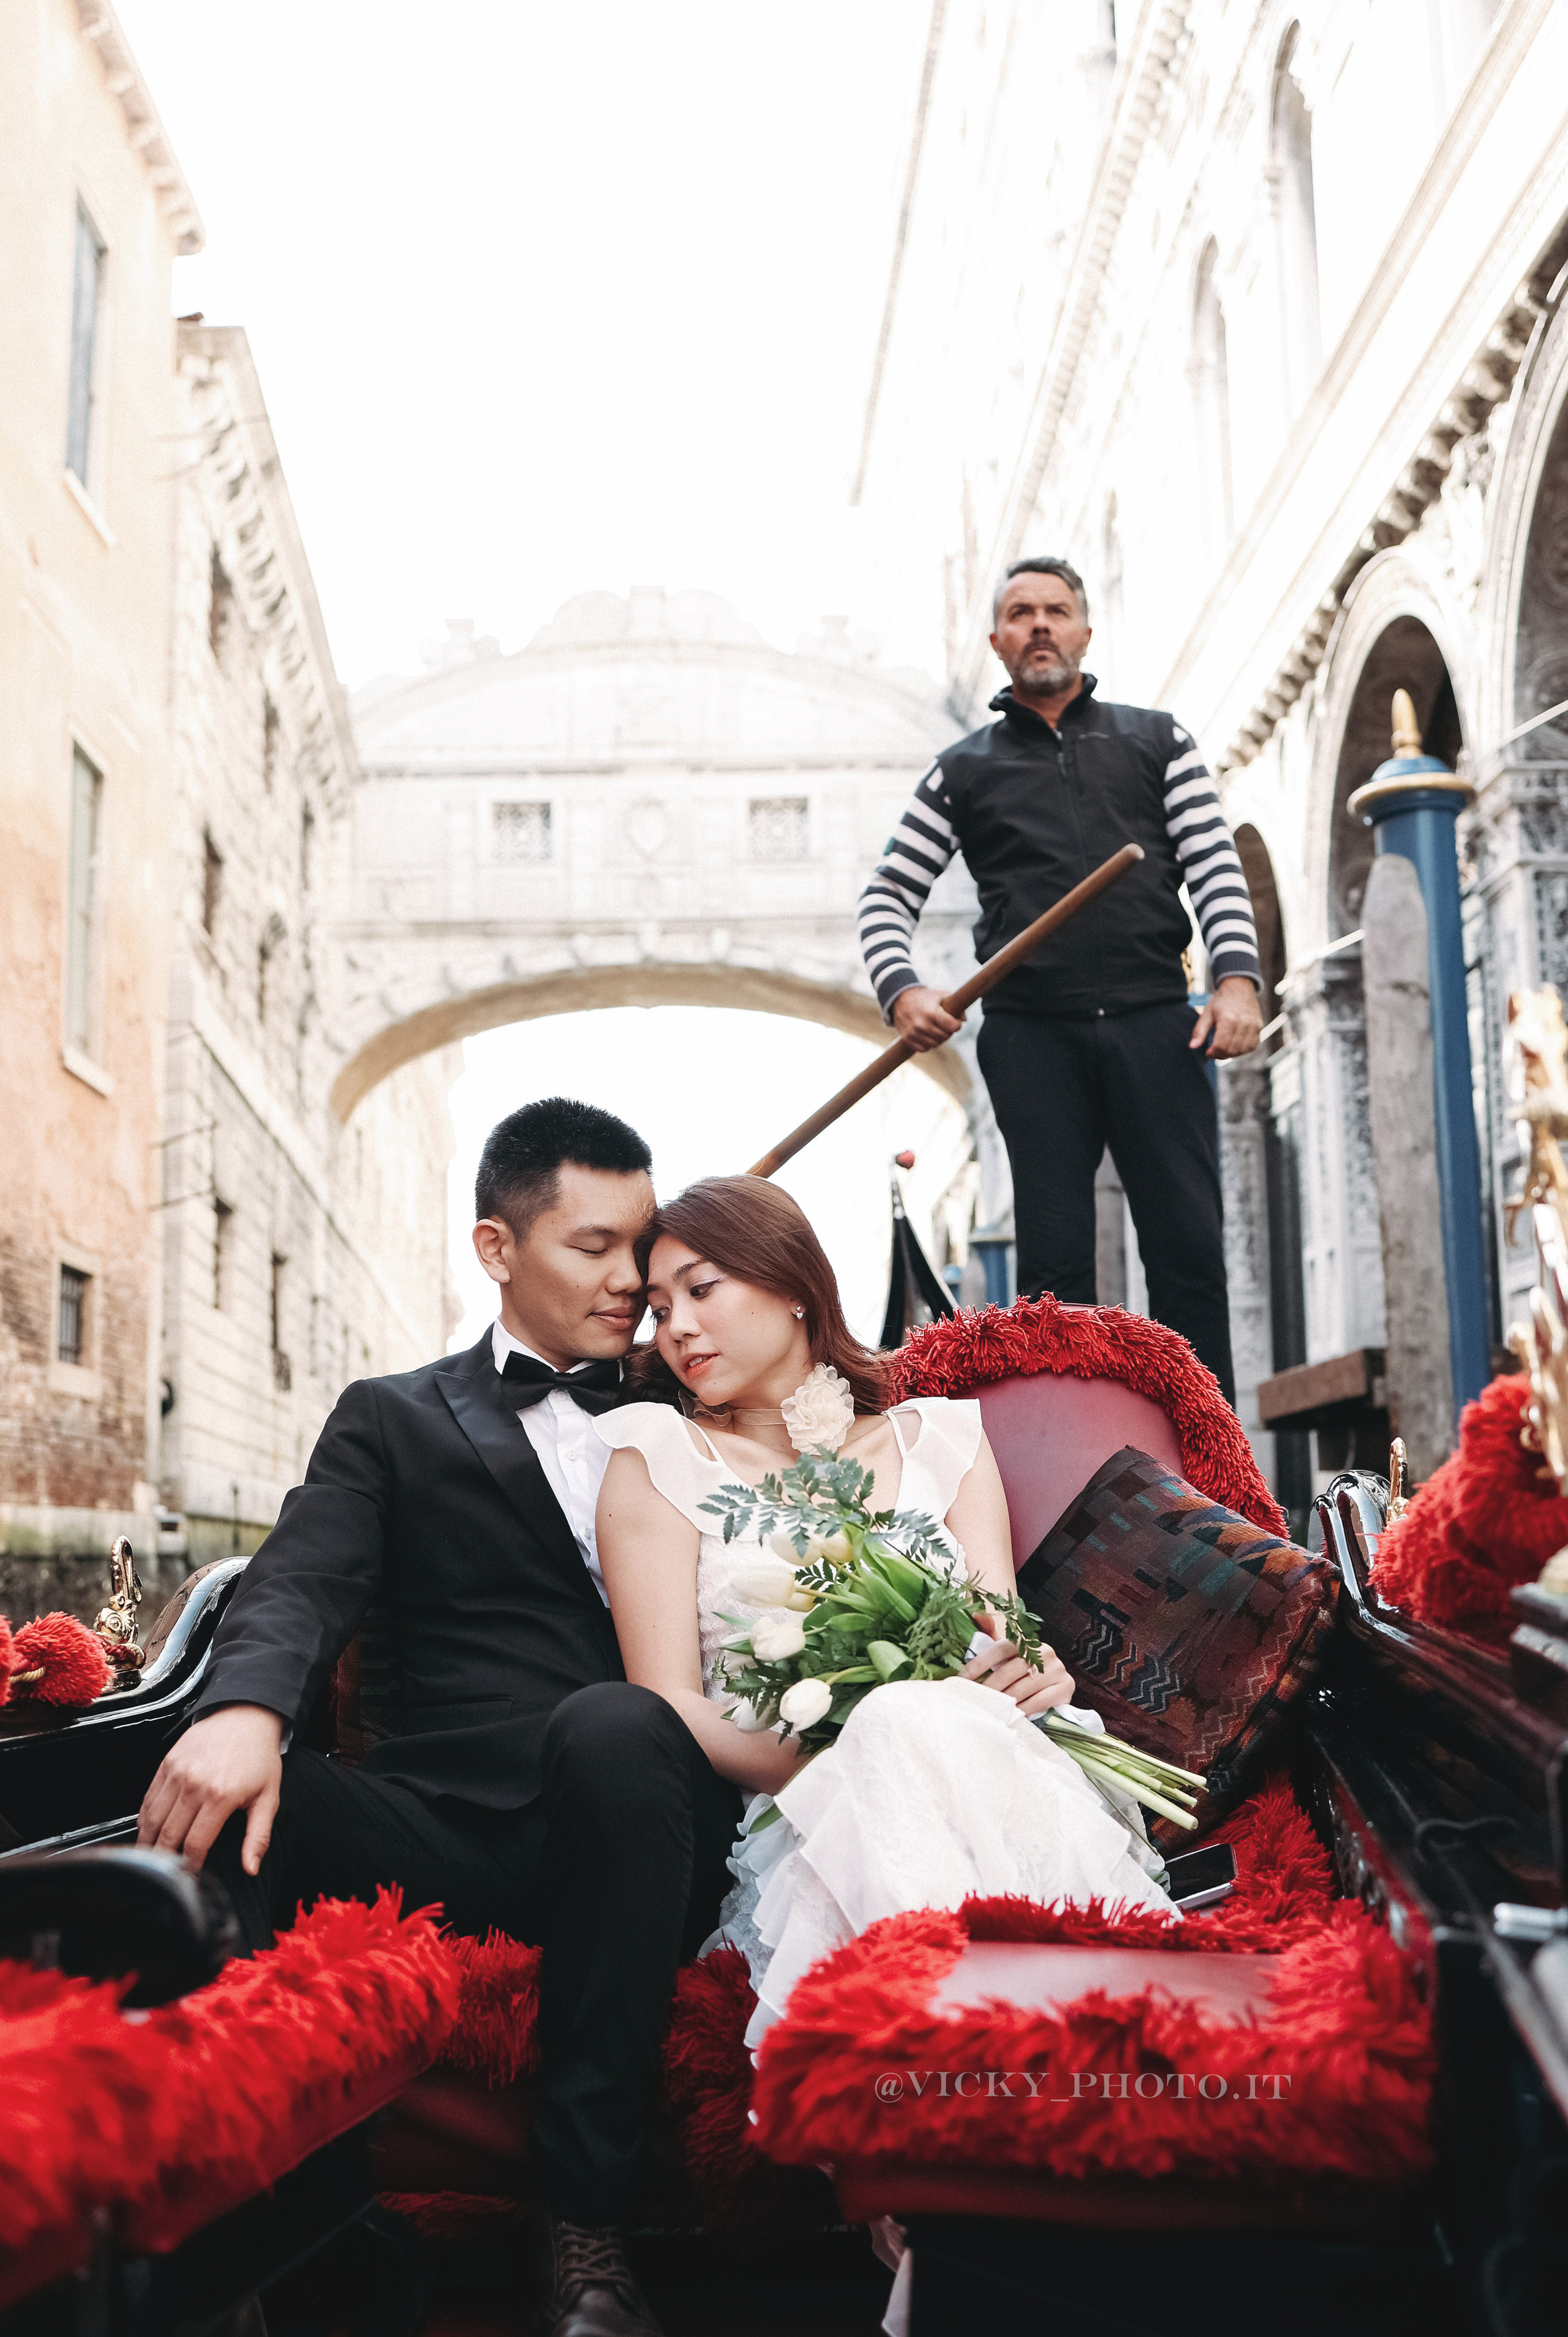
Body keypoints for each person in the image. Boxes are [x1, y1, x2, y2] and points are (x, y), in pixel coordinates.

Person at [136, 1097, 718, 2337]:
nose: (630, 1282)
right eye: (591, 1246)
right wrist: (244, 1709)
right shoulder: (392, 1418)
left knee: (619, 1725)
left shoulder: (699, 1409)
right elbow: (301, 1577)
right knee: (258, 1813)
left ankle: (582, 2229)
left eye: (641, 1247)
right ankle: (293, 2233)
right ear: (496, 1251)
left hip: (642, 1830)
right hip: (445, 1834)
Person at [594, 1174, 1173, 2054]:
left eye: (701, 1289)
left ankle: (1001, 2053)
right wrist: (821, 1764)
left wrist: (1032, 1666)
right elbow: (668, 1698)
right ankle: (996, 2046)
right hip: (803, 1790)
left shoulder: (942, 1438)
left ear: (792, 1287)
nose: (675, 1326)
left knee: (919, 1717)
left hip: (992, 1758)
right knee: (898, 1721)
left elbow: (999, 1627)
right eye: (658, 1306)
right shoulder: (654, 1459)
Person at [857, 556, 1262, 1405]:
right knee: (1053, 1272)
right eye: (1021, 613)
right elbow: (889, 893)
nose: (1040, 624)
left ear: (1084, 629)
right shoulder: (960, 771)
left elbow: (1216, 867)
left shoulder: (1158, 740)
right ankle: (1080, 1472)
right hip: (1032, 1037)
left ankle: (1215, 1468)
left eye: (1056, 610)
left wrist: (1236, 982)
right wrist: (903, 990)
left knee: (1188, 1252)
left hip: (1159, 1020)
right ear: (999, 640)